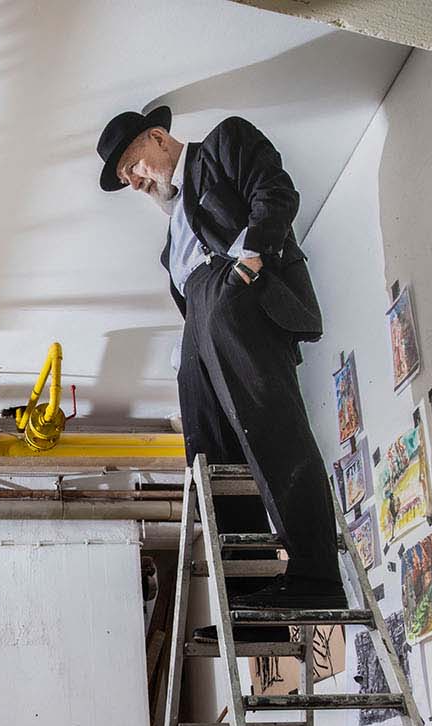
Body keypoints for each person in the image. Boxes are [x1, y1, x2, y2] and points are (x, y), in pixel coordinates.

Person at [96, 105, 344, 617]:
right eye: (126, 179)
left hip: (235, 294)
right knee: (212, 464)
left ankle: (316, 573)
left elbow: (275, 192)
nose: (135, 182)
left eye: (133, 165)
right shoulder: (173, 235)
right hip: (200, 323)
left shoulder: (222, 144)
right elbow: (190, 288)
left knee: (271, 428)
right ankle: (249, 612)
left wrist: (249, 263)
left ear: (158, 137)